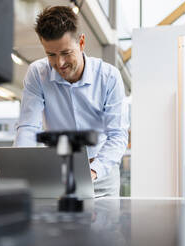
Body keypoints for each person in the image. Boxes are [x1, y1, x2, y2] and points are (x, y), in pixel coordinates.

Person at [14, 6, 129, 197]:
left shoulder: (109, 77)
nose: (59, 63)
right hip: (58, 172)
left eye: (66, 52)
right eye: (51, 54)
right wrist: (21, 170)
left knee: (106, 227)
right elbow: (27, 126)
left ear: (81, 42)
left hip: (101, 173)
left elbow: (117, 135)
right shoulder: (37, 73)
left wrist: (92, 172)